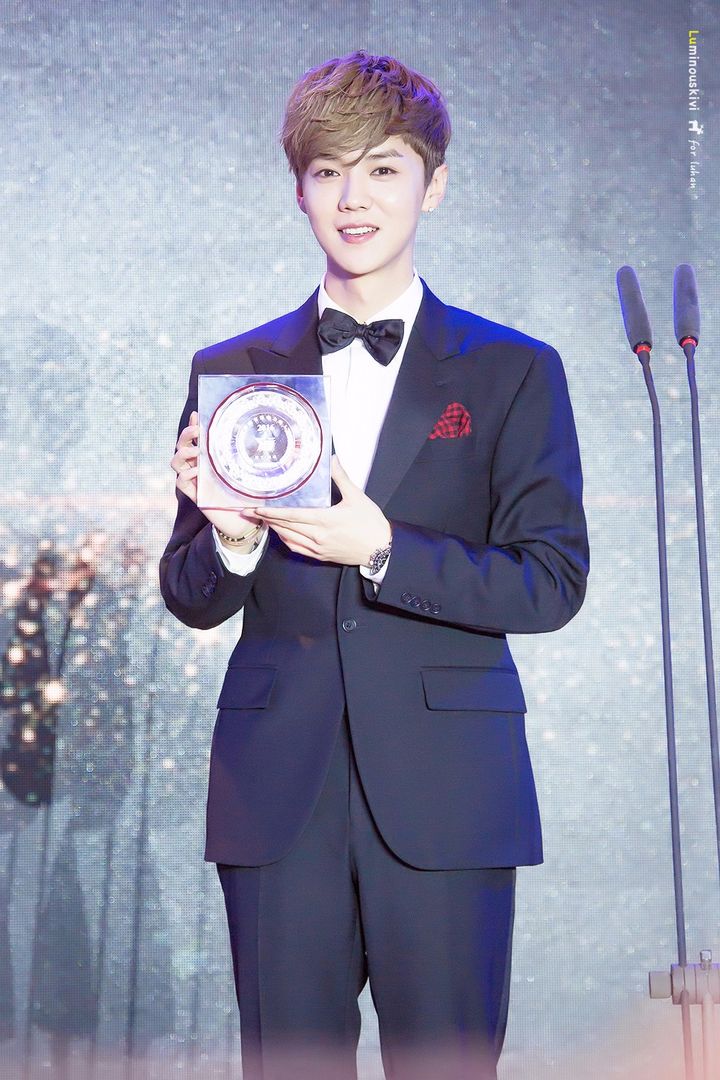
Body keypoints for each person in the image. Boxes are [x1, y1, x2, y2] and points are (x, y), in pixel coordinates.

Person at [160, 51, 588, 1080]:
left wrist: (385, 549)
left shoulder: (514, 370)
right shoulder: (234, 368)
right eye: (328, 172)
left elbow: (550, 580)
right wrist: (231, 537)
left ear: (433, 185)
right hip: (277, 791)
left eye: (384, 169)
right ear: (299, 190)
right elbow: (189, 594)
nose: (354, 198)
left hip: (448, 792)